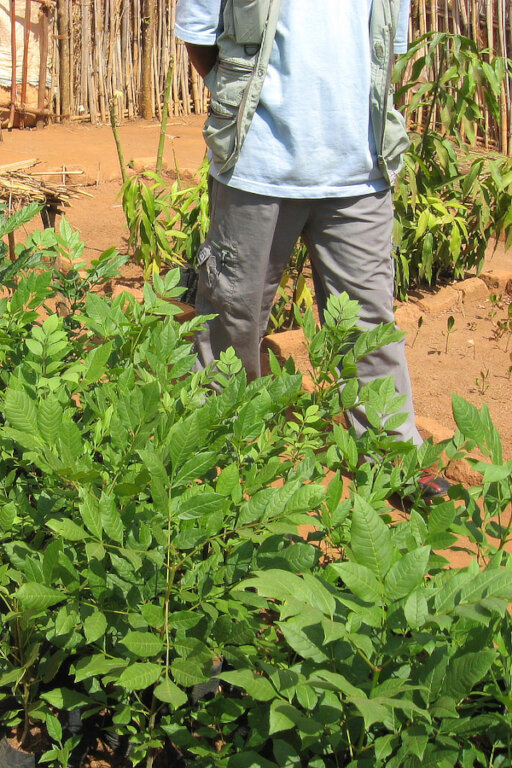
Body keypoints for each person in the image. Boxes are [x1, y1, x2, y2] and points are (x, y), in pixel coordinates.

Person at [175, 0, 449, 497]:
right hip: (256, 162)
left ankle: (394, 460)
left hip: (361, 167)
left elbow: (386, 48)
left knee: (370, 325)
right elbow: (200, 35)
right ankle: (220, 455)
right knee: (233, 319)